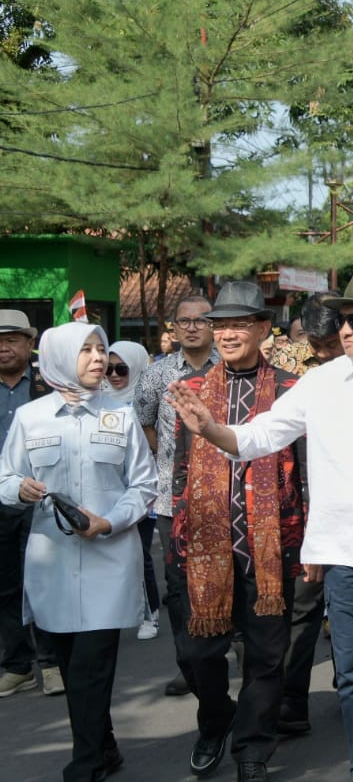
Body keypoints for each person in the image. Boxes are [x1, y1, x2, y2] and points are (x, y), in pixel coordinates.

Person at [168, 272, 353, 782]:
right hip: (343, 553)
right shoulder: (322, 382)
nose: (343, 331)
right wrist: (211, 429)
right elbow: (262, 434)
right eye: (341, 321)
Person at [0, 321, 158, 782]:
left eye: (101, 349)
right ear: (56, 359)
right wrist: (19, 489)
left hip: (109, 561)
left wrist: (108, 522)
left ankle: (82, 768)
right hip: (51, 564)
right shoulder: (31, 418)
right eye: (85, 350)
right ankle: (104, 745)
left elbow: (144, 485)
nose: (98, 359)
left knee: (91, 666)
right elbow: (5, 477)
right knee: (72, 668)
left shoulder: (122, 415)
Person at [169, 282, 305, 782]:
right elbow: (181, 467)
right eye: (218, 324)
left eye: (238, 324)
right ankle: (216, 719)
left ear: (263, 330)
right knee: (200, 654)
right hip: (205, 547)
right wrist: (179, 537)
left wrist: (307, 543)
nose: (225, 333)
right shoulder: (191, 390)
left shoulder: (293, 390)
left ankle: (253, 753)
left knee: (267, 658)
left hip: (273, 548)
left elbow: (307, 473)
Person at [135, 293, 221, 697]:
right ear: (174, 327)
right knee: (178, 585)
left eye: (199, 320)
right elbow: (145, 421)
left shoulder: (229, 367)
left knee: (228, 578)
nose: (190, 327)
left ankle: (220, 651)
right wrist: (168, 458)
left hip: (225, 494)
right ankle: (188, 664)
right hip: (173, 499)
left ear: (213, 325)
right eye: (182, 321)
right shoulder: (157, 373)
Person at [274, 292, 342, 736]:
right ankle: (293, 701)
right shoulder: (294, 376)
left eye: (330, 344)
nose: (324, 354)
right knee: (303, 609)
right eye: (315, 346)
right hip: (306, 511)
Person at [0, 309, 61, 698]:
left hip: (42, 495)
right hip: (1, 498)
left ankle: (52, 662)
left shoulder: (47, 386)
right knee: (6, 586)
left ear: (28, 343)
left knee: (45, 580)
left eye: (12, 340)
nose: (4, 348)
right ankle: (17, 665)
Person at [104, 341, 161, 642]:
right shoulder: (97, 399)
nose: (113, 375)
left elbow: (158, 447)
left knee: (139, 554)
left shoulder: (147, 400)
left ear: (137, 367)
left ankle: (149, 613)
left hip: (143, 488)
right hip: (108, 490)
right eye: (108, 368)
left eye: (121, 369)